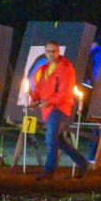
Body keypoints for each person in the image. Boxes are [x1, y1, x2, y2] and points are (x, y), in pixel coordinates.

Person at [29, 40, 90, 179]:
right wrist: (33, 101)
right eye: (48, 51)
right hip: (49, 109)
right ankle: (83, 163)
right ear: (45, 52)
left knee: (50, 138)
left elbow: (64, 93)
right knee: (59, 141)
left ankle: (48, 170)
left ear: (59, 52)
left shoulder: (66, 68)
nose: (51, 54)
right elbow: (38, 88)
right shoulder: (44, 68)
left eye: (54, 51)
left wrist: (47, 102)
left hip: (59, 108)